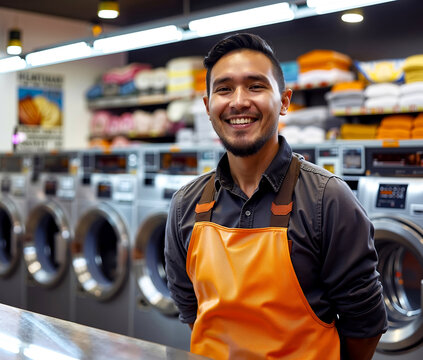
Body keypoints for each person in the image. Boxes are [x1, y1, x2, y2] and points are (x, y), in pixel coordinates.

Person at [164, 33, 387, 360]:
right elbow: (190, 308)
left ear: (284, 101)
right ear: (207, 106)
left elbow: (364, 323)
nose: (238, 101)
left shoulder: (328, 199)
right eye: (224, 89)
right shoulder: (186, 204)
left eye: (255, 86)